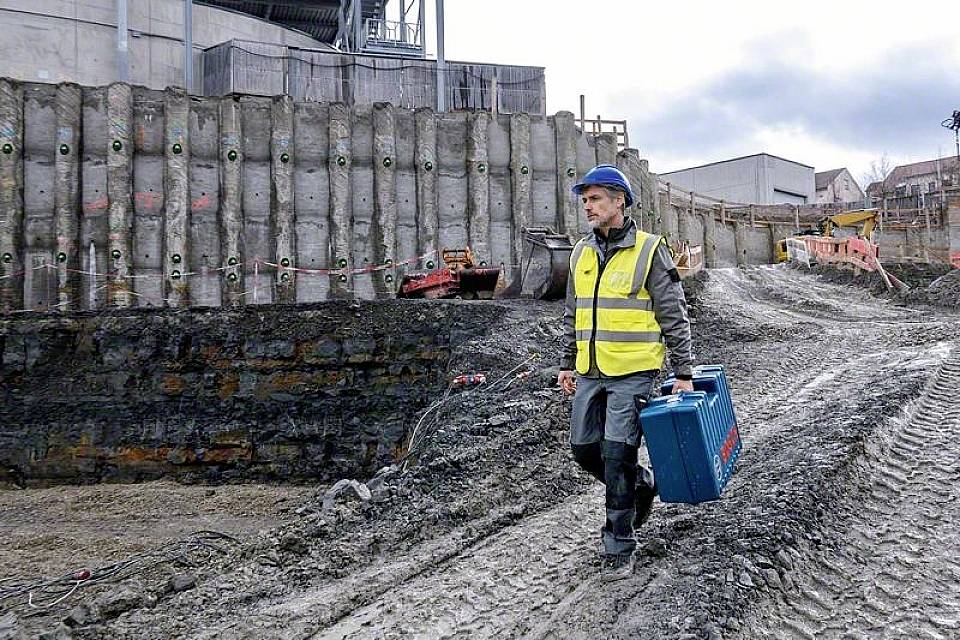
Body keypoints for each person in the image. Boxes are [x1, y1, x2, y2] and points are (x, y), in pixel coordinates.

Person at [557, 164, 694, 581]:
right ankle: (641, 484)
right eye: (584, 200)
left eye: (595, 198)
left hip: (634, 371)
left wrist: (683, 370)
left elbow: (674, 314)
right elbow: (573, 312)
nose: (587, 206)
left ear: (620, 201)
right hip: (590, 370)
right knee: (584, 450)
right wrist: (567, 363)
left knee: (617, 454)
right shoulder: (580, 252)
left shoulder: (650, 250)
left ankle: (619, 543)